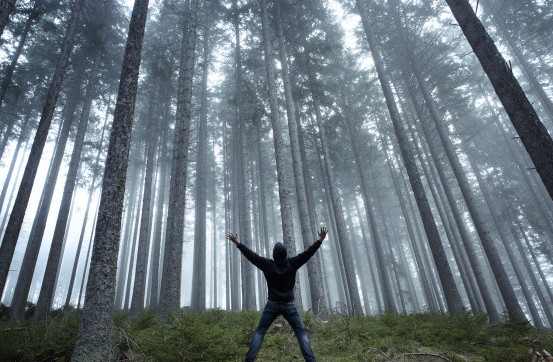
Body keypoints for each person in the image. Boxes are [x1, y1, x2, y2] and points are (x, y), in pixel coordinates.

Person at [227, 227, 328, 362]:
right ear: (285, 254)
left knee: (260, 331)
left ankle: (248, 360)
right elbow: (308, 254)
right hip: (289, 306)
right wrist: (320, 240)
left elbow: (251, 256)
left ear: (273, 255)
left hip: (272, 305)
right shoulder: (292, 263)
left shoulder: (267, 264)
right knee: (300, 333)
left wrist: (238, 243)